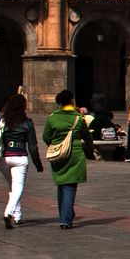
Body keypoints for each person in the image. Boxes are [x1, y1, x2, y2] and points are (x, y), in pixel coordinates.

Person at [0, 94, 44, 228]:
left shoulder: (4, 121)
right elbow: (32, 146)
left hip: (5, 159)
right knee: (18, 187)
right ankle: (8, 213)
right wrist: (38, 164)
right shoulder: (27, 123)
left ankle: (18, 216)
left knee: (13, 187)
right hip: (20, 157)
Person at [43, 89, 90, 230]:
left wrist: (56, 145)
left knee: (62, 184)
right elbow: (87, 138)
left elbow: (46, 137)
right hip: (75, 155)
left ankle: (65, 214)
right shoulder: (78, 118)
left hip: (58, 155)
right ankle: (65, 219)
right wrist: (89, 152)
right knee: (70, 187)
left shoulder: (52, 117)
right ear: (72, 101)